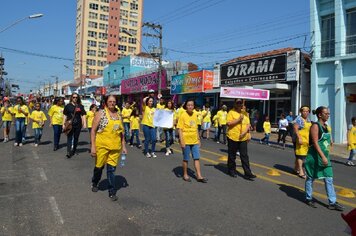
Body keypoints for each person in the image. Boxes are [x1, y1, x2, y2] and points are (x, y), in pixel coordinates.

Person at [304, 106, 344, 211]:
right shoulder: (315, 126)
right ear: (320, 115)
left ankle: (332, 202)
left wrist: (330, 140)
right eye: (326, 113)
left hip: (325, 157)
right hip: (315, 157)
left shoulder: (326, 126)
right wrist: (322, 156)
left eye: (328, 114)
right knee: (311, 178)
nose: (328, 115)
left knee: (329, 178)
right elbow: (316, 143)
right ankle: (308, 198)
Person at [90, 95, 127, 201]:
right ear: (106, 102)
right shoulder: (100, 113)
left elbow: (121, 133)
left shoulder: (119, 115)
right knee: (99, 167)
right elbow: (93, 130)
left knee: (111, 170)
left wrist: (123, 146)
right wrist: (93, 146)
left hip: (115, 147)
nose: (112, 103)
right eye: (110, 101)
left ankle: (112, 191)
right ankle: (95, 182)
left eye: (114, 101)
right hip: (102, 146)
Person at [177, 99, 207, 183]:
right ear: (186, 106)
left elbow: (196, 128)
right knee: (186, 158)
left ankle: (199, 176)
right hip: (186, 141)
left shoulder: (195, 115)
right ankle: (185, 174)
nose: (190, 106)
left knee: (196, 158)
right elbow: (179, 129)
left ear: (194, 106)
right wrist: (182, 141)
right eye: (188, 105)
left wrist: (198, 139)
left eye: (192, 105)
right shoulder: (183, 115)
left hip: (194, 141)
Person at [226, 99, 256, 180]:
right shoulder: (231, 112)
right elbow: (228, 123)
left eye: (240, 103)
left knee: (244, 155)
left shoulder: (245, 113)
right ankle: (231, 170)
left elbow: (248, 125)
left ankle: (247, 172)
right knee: (232, 155)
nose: (239, 104)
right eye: (238, 103)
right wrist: (238, 120)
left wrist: (246, 133)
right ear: (235, 104)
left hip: (243, 137)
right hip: (233, 137)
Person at [63, 93, 87, 158]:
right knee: (69, 138)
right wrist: (63, 124)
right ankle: (68, 152)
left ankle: (73, 150)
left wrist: (84, 123)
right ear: (71, 98)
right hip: (70, 124)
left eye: (76, 97)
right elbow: (65, 115)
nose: (75, 98)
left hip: (78, 124)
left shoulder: (80, 106)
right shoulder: (68, 106)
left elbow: (83, 114)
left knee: (76, 138)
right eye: (74, 97)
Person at [293, 106, 312, 179]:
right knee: (300, 155)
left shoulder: (308, 120)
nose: (306, 112)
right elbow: (295, 128)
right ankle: (301, 171)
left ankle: (295, 169)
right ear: (301, 112)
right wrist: (299, 138)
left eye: (307, 111)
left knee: (300, 155)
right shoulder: (298, 119)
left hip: (306, 140)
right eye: (304, 111)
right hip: (300, 140)